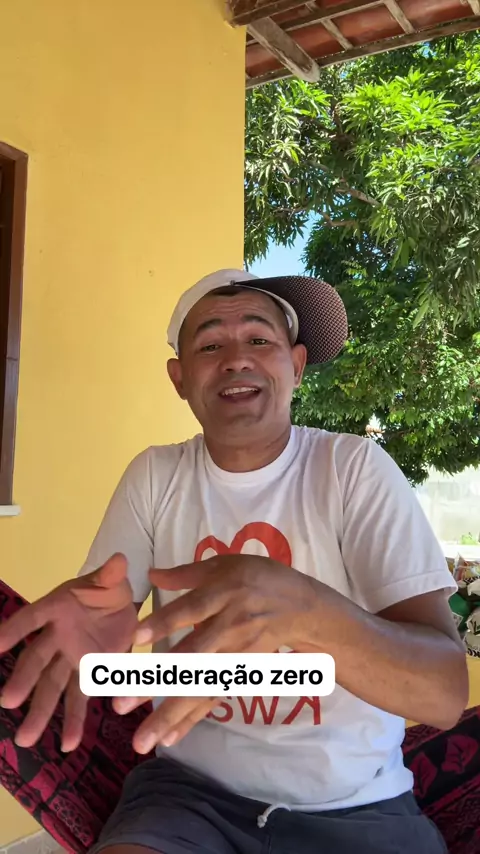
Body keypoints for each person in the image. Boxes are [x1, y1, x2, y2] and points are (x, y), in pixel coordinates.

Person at [0, 268, 468, 854]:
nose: (236, 359)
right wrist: (103, 660)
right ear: (179, 379)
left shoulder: (353, 470)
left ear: (296, 365)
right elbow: (107, 630)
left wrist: (304, 612)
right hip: (185, 798)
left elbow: (443, 695)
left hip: (358, 808)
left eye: (259, 339)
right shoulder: (155, 476)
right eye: (209, 345)